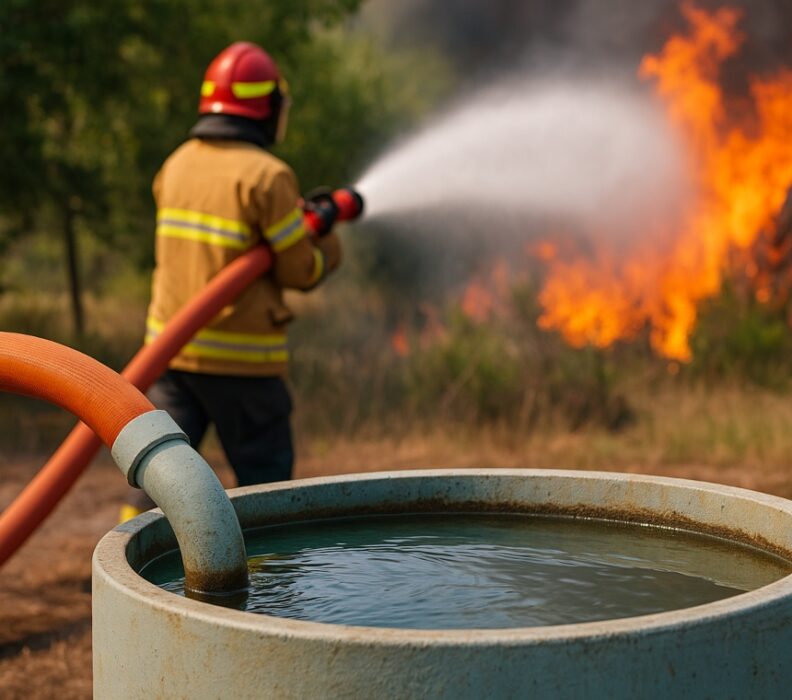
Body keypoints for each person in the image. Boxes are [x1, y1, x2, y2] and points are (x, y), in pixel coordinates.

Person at [119, 42, 342, 522]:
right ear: (268, 108)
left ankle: (124, 575)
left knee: (156, 478)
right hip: (244, 368)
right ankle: (271, 590)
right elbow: (299, 271)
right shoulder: (269, 175)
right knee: (266, 486)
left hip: (172, 357)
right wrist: (327, 243)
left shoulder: (176, 163)